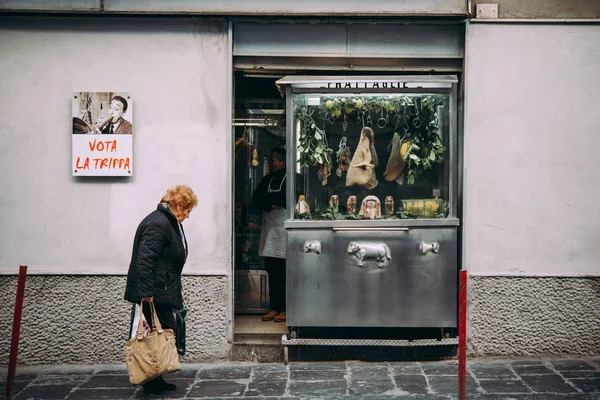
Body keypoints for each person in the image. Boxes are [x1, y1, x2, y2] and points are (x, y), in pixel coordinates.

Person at [124, 185, 198, 395]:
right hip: (154, 293)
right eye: (187, 210)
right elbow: (145, 260)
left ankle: (156, 376)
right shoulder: (159, 223)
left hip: (162, 289)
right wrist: (147, 293)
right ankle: (149, 378)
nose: (188, 215)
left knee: (161, 334)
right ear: (177, 205)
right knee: (151, 336)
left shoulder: (167, 221)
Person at [252, 147, 303, 323]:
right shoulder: (267, 179)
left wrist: (272, 201)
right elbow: (256, 199)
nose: (271, 161)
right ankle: (274, 307)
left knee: (286, 272)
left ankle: (288, 309)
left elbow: (286, 198)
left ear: (282, 161)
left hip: (284, 230)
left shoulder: (294, 178)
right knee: (272, 270)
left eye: (273, 158)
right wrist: (272, 203)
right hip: (269, 230)